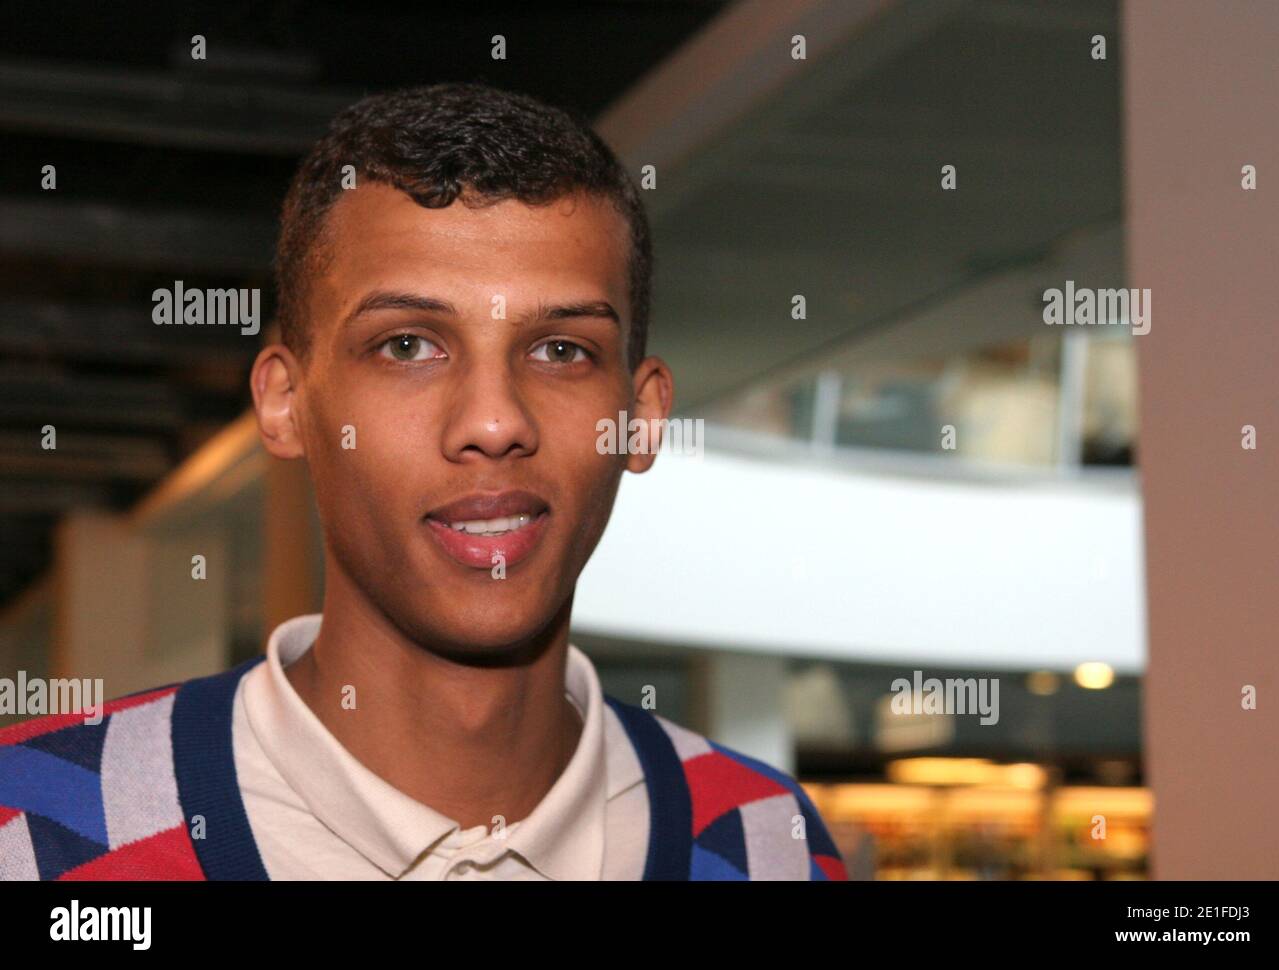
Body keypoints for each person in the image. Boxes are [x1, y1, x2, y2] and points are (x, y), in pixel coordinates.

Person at [0, 82, 845, 881]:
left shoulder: (766, 841)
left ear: (642, 414)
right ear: (286, 404)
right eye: (407, 345)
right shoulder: (35, 827)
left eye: (562, 350)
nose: (493, 420)